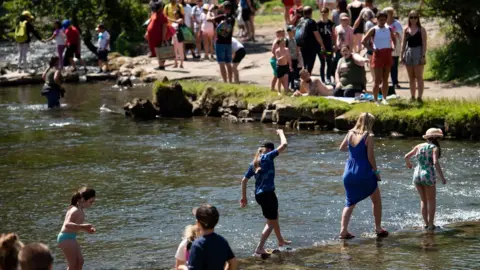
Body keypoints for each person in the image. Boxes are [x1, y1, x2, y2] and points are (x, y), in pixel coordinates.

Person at [240, 130, 291, 257]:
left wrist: (244, 197)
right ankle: (269, 244)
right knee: (272, 221)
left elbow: (244, 180)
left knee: (273, 219)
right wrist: (281, 133)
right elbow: (284, 145)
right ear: (269, 149)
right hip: (268, 194)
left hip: (260, 195)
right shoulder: (268, 156)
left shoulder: (253, 163)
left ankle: (271, 244)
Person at [338, 113, 388, 239]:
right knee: (376, 200)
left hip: (349, 172)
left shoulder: (350, 133)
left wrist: (353, 152)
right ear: (370, 123)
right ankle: (378, 228)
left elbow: (341, 148)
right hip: (364, 172)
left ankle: (343, 231)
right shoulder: (369, 136)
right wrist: (376, 173)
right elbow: (370, 157)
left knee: (349, 203)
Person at [404, 128, 447, 231]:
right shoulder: (434, 148)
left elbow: (406, 156)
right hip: (428, 174)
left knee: (423, 200)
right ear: (437, 138)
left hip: (417, 173)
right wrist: (442, 177)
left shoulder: (419, 146)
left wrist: (409, 164)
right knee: (431, 200)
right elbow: (435, 162)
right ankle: (431, 225)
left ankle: (426, 224)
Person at [188, 204, 237, 269]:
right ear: (216, 222)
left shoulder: (197, 245)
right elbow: (233, 262)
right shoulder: (222, 241)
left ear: (197, 223)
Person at [57, 187, 96, 270]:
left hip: (71, 237)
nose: (91, 204)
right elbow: (67, 224)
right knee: (73, 264)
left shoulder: (80, 210)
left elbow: (74, 227)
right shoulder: (75, 210)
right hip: (65, 238)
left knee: (80, 261)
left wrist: (87, 230)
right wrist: (83, 226)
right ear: (82, 199)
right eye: (91, 202)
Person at [362, 11, 396, 105]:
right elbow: (363, 41)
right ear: (377, 20)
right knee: (377, 80)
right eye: (380, 20)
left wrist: (393, 46)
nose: (382, 21)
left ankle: (384, 98)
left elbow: (394, 39)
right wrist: (372, 49)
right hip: (378, 55)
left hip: (387, 54)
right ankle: (376, 99)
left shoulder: (389, 29)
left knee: (386, 79)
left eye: (384, 20)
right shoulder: (374, 29)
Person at [401, 10, 427, 102]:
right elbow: (403, 43)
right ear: (409, 18)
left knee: (419, 76)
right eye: (411, 17)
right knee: (411, 77)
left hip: (418, 52)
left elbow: (424, 43)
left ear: (418, 18)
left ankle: (419, 97)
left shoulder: (421, 29)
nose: (413, 19)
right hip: (408, 53)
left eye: (415, 17)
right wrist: (402, 55)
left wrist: (423, 56)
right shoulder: (406, 29)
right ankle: (412, 96)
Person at [297, 6, 326, 75]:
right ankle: (307, 81)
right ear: (311, 13)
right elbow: (317, 35)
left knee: (305, 64)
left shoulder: (300, 21)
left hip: (302, 46)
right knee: (309, 66)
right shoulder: (311, 22)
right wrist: (322, 45)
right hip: (311, 47)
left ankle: (304, 79)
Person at [214, 1, 236, 83]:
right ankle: (230, 81)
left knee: (221, 63)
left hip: (220, 43)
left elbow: (209, 19)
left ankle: (225, 82)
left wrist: (210, 11)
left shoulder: (222, 17)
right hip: (228, 43)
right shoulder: (233, 18)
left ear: (224, 8)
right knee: (228, 64)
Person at [146, 2, 169, 70]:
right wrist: (147, 32)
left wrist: (164, 37)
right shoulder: (154, 14)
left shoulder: (162, 15)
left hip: (158, 35)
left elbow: (164, 27)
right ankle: (160, 65)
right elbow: (151, 22)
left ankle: (161, 65)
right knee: (156, 50)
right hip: (152, 36)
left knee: (160, 50)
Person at [385, 7, 403, 89]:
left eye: (389, 13)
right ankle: (384, 82)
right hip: (385, 48)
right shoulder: (383, 24)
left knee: (394, 66)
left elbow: (400, 34)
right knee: (384, 66)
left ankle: (395, 82)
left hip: (394, 48)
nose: (388, 15)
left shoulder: (397, 24)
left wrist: (394, 34)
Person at [317, 7, 335, 84]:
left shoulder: (331, 24)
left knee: (329, 61)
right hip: (321, 47)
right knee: (322, 62)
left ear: (328, 13)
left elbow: (333, 35)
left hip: (329, 46)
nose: (323, 13)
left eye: (325, 12)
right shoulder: (318, 24)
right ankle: (323, 79)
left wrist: (334, 44)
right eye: (322, 12)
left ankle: (328, 78)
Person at [286, 25, 302, 90]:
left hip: (295, 59)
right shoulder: (286, 40)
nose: (294, 32)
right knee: (289, 74)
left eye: (295, 31)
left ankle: (293, 86)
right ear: (289, 32)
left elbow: (296, 49)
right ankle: (287, 87)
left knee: (294, 74)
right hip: (289, 60)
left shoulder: (295, 39)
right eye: (293, 31)